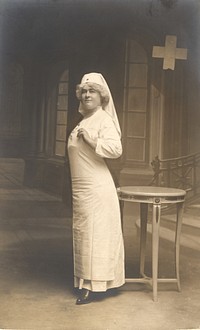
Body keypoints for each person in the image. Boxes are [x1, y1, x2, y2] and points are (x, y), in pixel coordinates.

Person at [67, 72, 125, 305]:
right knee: (84, 235)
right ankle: (87, 282)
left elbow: (116, 149)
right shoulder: (84, 121)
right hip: (82, 191)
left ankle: (95, 286)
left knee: (95, 236)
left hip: (98, 190)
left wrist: (93, 141)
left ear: (102, 97)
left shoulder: (103, 120)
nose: (87, 94)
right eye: (84, 91)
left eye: (93, 91)